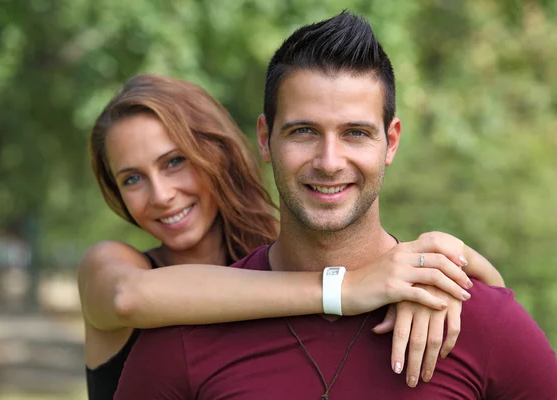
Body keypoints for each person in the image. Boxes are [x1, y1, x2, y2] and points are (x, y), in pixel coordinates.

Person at [113, 11, 557, 399]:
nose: (329, 162)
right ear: (266, 139)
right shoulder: (187, 333)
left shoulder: (468, 315)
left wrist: (472, 283)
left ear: (392, 141)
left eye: (355, 133)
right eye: (304, 131)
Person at [80, 75, 502, 399]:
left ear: (217, 151)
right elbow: (127, 298)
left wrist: (438, 268)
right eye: (132, 179)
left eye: (174, 162)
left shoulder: (284, 254)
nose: (161, 194)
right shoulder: (111, 264)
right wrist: (346, 287)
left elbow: (495, 298)